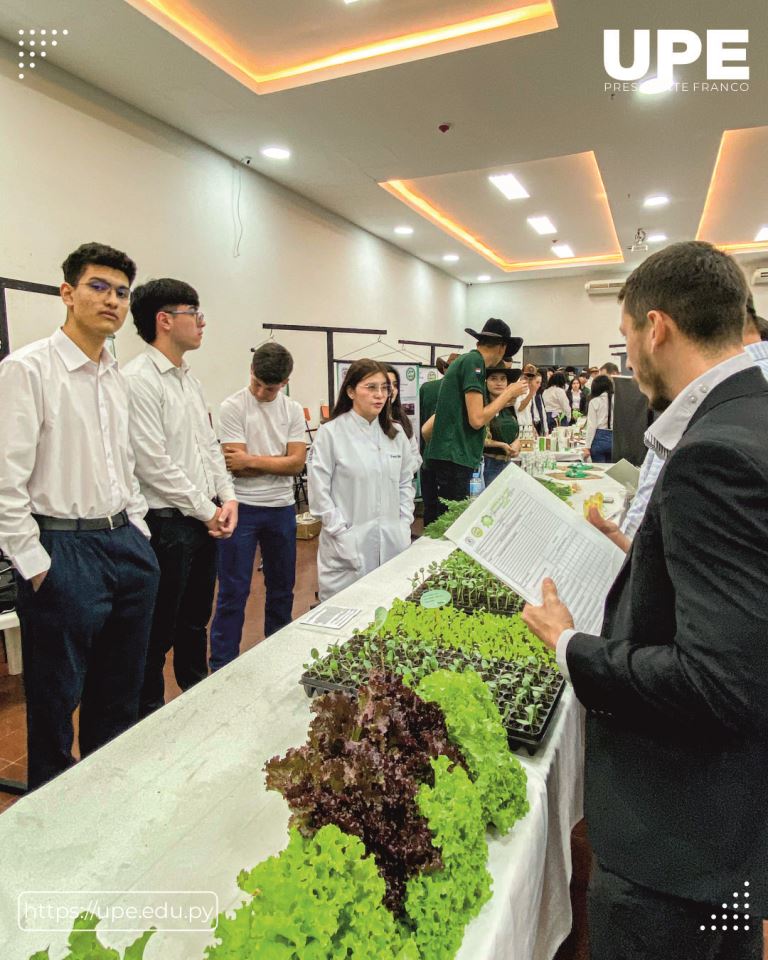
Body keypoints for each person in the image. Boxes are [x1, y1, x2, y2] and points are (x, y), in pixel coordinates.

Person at [522, 240, 768, 960]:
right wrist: (652, 561)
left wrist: (571, 645)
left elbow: (719, 680)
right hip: (738, 842)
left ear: (654, 327)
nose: (628, 357)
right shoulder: (751, 415)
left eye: (626, 335)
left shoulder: (712, 453)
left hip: (677, 848)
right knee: (734, 945)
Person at [0, 242, 160, 789]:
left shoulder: (115, 376)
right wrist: (36, 564)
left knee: (118, 694)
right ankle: (52, 817)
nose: (111, 300)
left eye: (121, 292)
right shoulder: (27, 370)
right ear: (67, 293)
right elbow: (6, 480)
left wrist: (137, 529)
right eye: (98, 286)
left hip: (124, 544)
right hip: (62, 550)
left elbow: (126, 463)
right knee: (55, 699)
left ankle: (105, 800)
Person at [124, 278, 238, 717]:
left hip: (201, 518)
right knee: (157, 631)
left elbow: (208, 445)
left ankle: (197, 703)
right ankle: (149, 718)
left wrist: (226, 497)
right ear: (165, 320)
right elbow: (152, 462)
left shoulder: (188, 380)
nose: (203, 322)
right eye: (196, 313)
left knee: (195, 622)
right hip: (166, 524)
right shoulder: (138, 380)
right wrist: (208, 509)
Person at [208, 343, 307, 670]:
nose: (263, 393)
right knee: (233, 592)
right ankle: (223, 665)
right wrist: (277, 461)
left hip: (281, 508)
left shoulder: (292, 410)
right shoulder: (233, 406)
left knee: (282, 588)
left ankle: (277, 657)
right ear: (251, 372)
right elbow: (236, 466)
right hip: (243, 508)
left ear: (285, 382)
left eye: (272, 388)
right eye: (258, 385)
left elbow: (297, 465)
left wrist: (252, 459)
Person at [308, 359, 415, 601]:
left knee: (388, 615)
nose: (380, 395)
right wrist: (342, 534)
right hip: (346, 548)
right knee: (347, 622)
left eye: (385, 388)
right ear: (350, 391)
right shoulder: (331, 433)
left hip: (392, 544)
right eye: (371, 387)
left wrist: (403, 523)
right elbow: (319, 495)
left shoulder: (396, 435)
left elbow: (405, 483)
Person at [422, 318, 527, 518]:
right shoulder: (474, 362)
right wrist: (508, 392)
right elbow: (477, 419)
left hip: (453, 458)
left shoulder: (467, 361)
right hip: (454, 459)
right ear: (502, 348)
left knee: (449, 518)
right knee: (450, 522)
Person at [418, 354, 456, 527]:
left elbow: (419, 422)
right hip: (451, 459)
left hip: (428, 454)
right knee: (448, 508)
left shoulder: (427, 388)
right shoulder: (464, 391)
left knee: (430, 504)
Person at [482, 366, 521, 484]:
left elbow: (516, 432)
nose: (499, 383)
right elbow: (480, 438)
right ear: (486, 382)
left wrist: (516, 443)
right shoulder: (483, 406)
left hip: (508, 463)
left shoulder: (509, 406)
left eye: (503, 379)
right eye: (493, 379)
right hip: (489, 463)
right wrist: (502, 445)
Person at [385, 364, 421, 474]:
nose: (392, 389)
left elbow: (416, 458)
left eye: (395, 385)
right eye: (386, 385)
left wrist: (401, 469)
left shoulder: (402, 420)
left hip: (399, 483)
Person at [584, 374, 614, 462]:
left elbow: (591, 426)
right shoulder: (618, 400)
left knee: (599, 471)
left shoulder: (594, 401)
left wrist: (587, 446)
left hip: (599, 438)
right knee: (612, 472)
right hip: (615, 439)